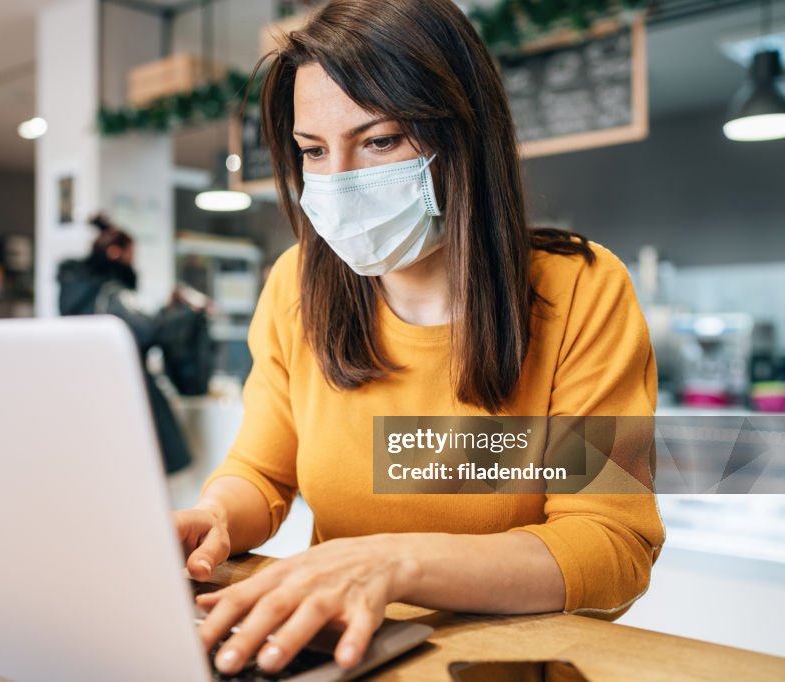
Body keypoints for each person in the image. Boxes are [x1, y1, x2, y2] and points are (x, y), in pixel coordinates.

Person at [174, 0, 665, 676]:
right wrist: (217, 517)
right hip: (343, 658)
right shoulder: (296, 285)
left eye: (379, 141)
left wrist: (393, 563)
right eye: (313, 151)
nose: (338, 180)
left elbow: (609, 545)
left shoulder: (582, 289)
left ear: (464, 136)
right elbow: (261, 471)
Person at [57, 216, 197, 474]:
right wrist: (181, 313)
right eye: (132, 254)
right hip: (125, 394)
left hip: (88, 395)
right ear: (117, 253)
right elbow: (147, 331)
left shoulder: (76, 294)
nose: (135, 261)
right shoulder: (113, 295)